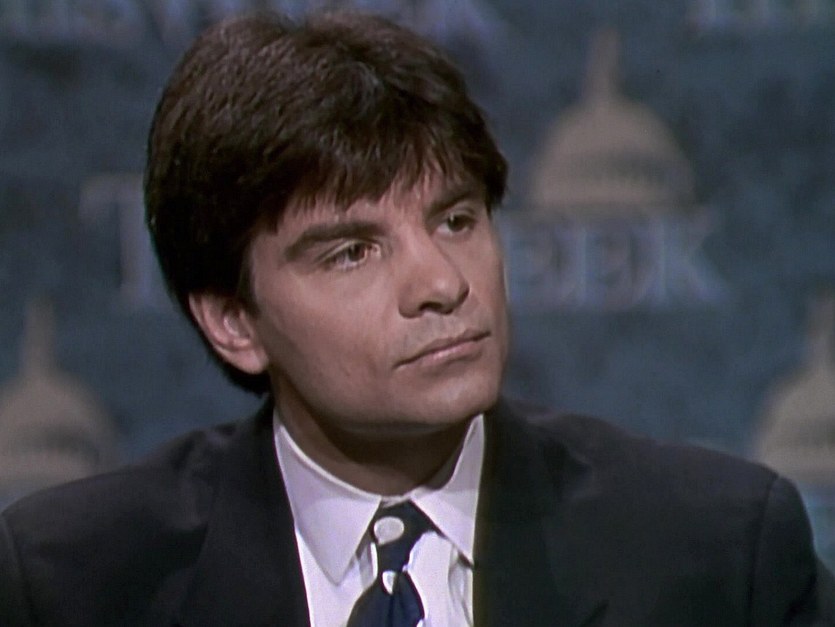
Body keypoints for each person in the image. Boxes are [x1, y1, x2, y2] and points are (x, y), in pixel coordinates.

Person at [1, 10, 833, 627]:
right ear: (233, 321)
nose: (440, 281)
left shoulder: (714, 555)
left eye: (456, 220)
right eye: (351, 252)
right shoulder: (72, 584)